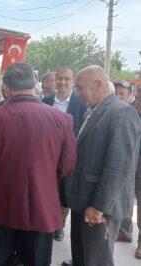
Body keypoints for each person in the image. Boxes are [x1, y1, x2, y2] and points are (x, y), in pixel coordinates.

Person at [0, 62, 77, 266]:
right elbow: (68, 163)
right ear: (35, 83)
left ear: (6, 87)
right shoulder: (62, 119)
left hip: (2, 203)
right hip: (43, 204)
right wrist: (45, 177)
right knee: (37, 260)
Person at [63, 65, 140, 266]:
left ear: (98, 85)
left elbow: (118, 166)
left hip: (98, 209)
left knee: (96, 261)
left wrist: (99, 207)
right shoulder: (95, 110)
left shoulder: (121, 113)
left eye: (80, 88)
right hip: (84, 202)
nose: (77, 93)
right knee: (82, 258)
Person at [42, 66, 86, 241]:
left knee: (64, 192)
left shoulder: (80, 103)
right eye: (59, 78)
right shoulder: (45, 101)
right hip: (47, 156)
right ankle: (48, 220)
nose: (62, 82)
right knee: (47, 190)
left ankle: (59, 224)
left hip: (69, 157)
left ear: (72, 81)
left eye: (66, 79)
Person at [116, 84, 141, 259]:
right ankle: (124, 231)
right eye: (138, 97)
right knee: (124, 194)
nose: (138, 100)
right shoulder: (130, 110)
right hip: (129, 157)